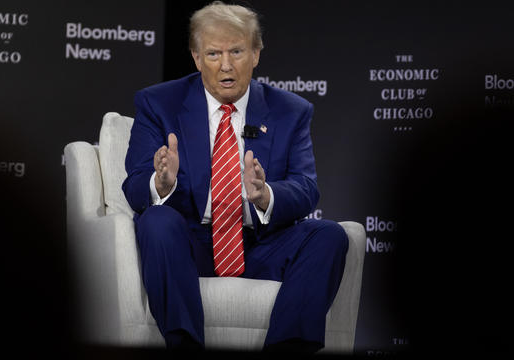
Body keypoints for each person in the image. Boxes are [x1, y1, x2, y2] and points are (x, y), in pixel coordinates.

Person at [122, 1, 348, 353]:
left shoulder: (292, 111)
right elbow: (135, 183)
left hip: (260, 245)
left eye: (237, 51)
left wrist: (265, 195)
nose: (226, 65)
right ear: (196, 58)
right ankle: (185, 345)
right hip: (191, 244)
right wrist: (160, 183)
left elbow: (306, 189)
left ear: (256, 54)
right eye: (213, 54)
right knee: (157, 220)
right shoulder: (158, 103)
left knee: (328, 235)